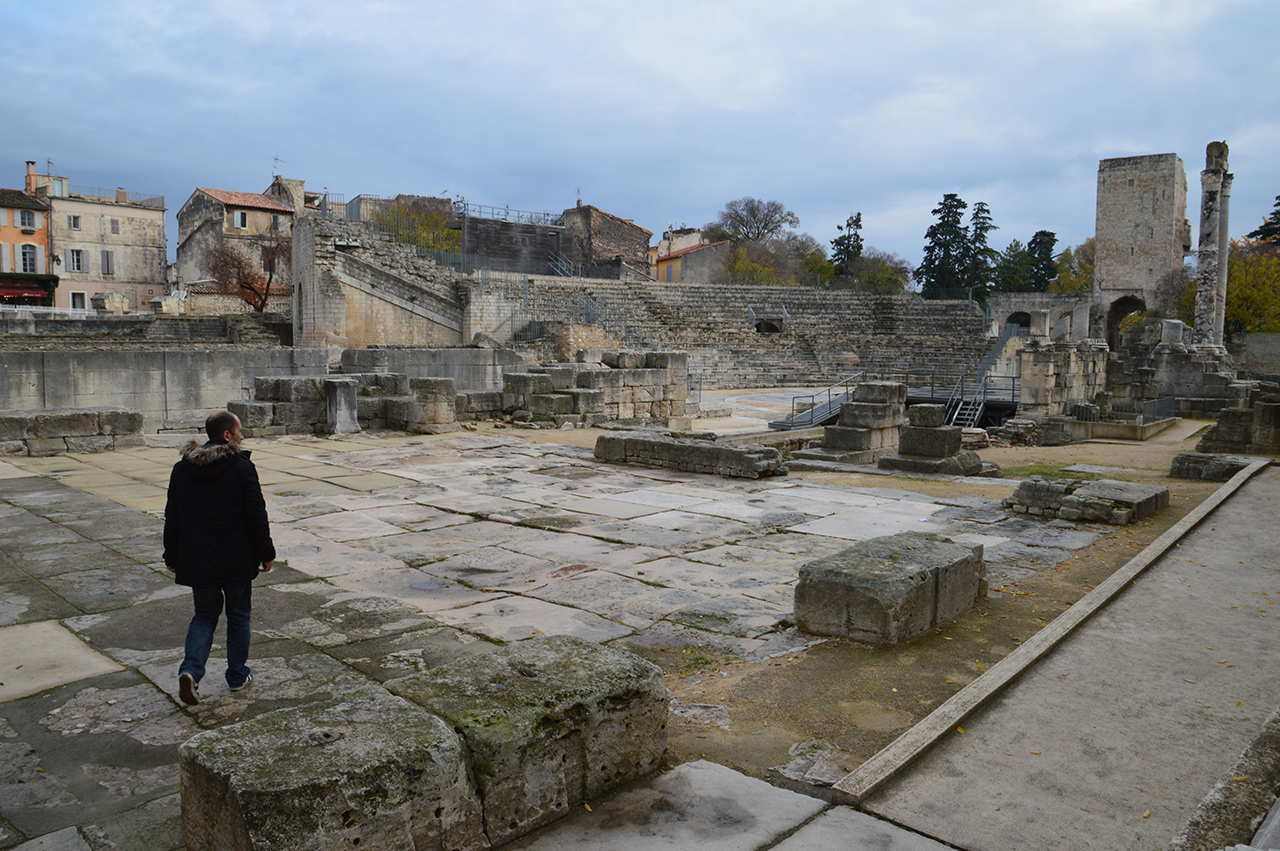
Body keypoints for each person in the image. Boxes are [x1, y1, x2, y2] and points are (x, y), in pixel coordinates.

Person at [163, 410, 275, 706]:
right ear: (226, 435)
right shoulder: (241, 467)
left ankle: (190, 671)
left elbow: (172, 516)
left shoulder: (181, 468)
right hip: (236, 558)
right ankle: (237, 676)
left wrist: (171, 554)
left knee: (204, 614)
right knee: (238, 616)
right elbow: (256, 515)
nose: (242, 436)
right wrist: (266, 552)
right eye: (239, 432)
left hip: (197, 558)